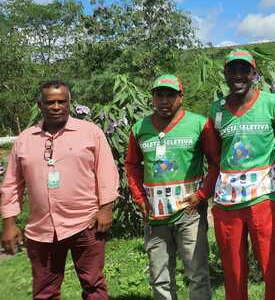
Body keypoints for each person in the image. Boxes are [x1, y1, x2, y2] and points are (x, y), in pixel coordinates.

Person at [1, 80, 119, 299]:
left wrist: (106, 208)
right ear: (40, 105)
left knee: (93, 284)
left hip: (86, 223)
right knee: (45, 291)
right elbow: (11, 184)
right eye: (50, 102)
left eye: (61, 101)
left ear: (69, 103)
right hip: (41, 229)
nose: (56, 106)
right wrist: (9, 223)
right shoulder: (25, 140)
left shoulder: (90, 133)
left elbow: (107, 172)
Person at [208, 49, 275, 300]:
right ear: (224, 74)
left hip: (263, 198)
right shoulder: (217, 110)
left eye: (244, 70)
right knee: (233, 269)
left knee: (273, 264)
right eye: (232, 70)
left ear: (254, 74)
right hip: (227, 201)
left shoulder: (272, 104)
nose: (238, 75)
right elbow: (214, 154)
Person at [125, 74, 215, 300]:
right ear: (152, 98)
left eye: (170, 95)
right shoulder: (139, 129)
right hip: (155, 216)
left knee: (197, 274)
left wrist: (203, 195)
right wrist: (140, 200)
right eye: (159, 95)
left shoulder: (199, 124)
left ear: (180, 98)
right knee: (160, 277)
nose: (164, 100)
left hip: (190, 213)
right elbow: (132, 166)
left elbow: (215, 161)